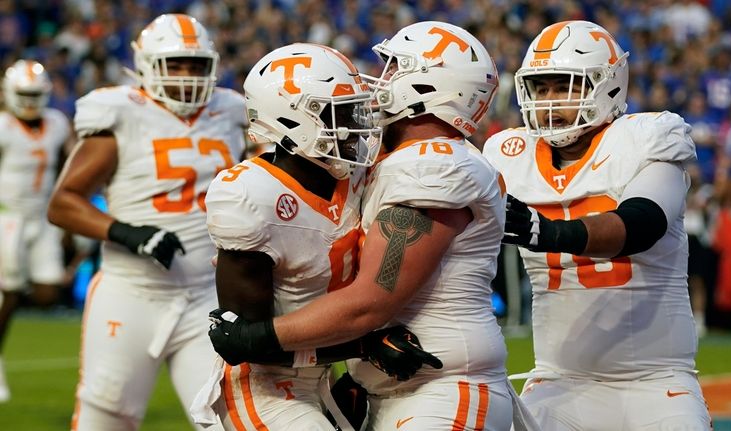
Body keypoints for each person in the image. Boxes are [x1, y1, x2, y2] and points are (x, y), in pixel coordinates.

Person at [207, 21, 537, 431]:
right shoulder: (360, 167)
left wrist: (258, 339)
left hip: (440, 383)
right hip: (358, 383)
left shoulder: (430, 166)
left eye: (396, 67)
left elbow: (369, 302)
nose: (382, 80)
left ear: (427, 86)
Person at [193, 42, 443, 431]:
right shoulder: (250, 195)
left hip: (325, 373)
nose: (357, 124)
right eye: (341, 114)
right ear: (291, 119)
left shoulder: (354, 175)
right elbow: (245, 342)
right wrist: (364, 346)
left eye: (356, 110)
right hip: (264, 386)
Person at [482, 20, 712, 430]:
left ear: (606, 85)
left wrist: (551, 233)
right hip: (560, 380)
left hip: (656, 382)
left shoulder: (645, 140)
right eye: (542, 88)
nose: (550, 101)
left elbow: (643, 222)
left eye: (564, 86)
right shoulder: (507, 154)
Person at [47, 14, 246, 430]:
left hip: (205, 297)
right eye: (176, 63)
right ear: (147, 65)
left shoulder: (231, 110)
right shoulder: (122, 112)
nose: (187, 75)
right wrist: (128, 233)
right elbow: (63, 202)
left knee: (226, 418)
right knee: (105, 419)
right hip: (130, 292)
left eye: (196, 64)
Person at [0, 59, 71, 403]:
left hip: (41, 216)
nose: (29, 102)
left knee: (47, 292)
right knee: (8, 294)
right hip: (7, 216)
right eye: (23, 94)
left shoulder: (57, 123)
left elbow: (64, 165)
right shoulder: (2, 126)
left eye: (35, 94)